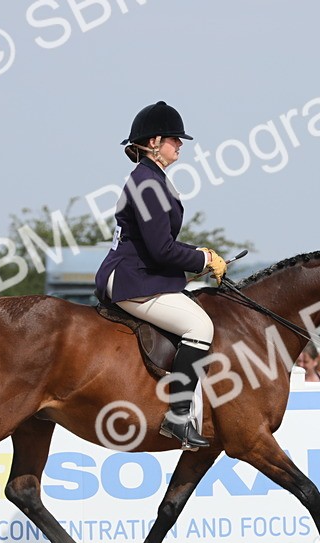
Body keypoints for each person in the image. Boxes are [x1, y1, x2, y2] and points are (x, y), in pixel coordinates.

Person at [94, 101, 228, 449]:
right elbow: (161, 250)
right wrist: (202, 259)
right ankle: (178, 416)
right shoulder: (148, 183)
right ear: (154, 142)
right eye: (174, 139)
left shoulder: (152, 178)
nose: (180, 145)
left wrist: (203, 256)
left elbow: (160, 244)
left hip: (141, 274)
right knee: (200, 327)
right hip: (131, 279)